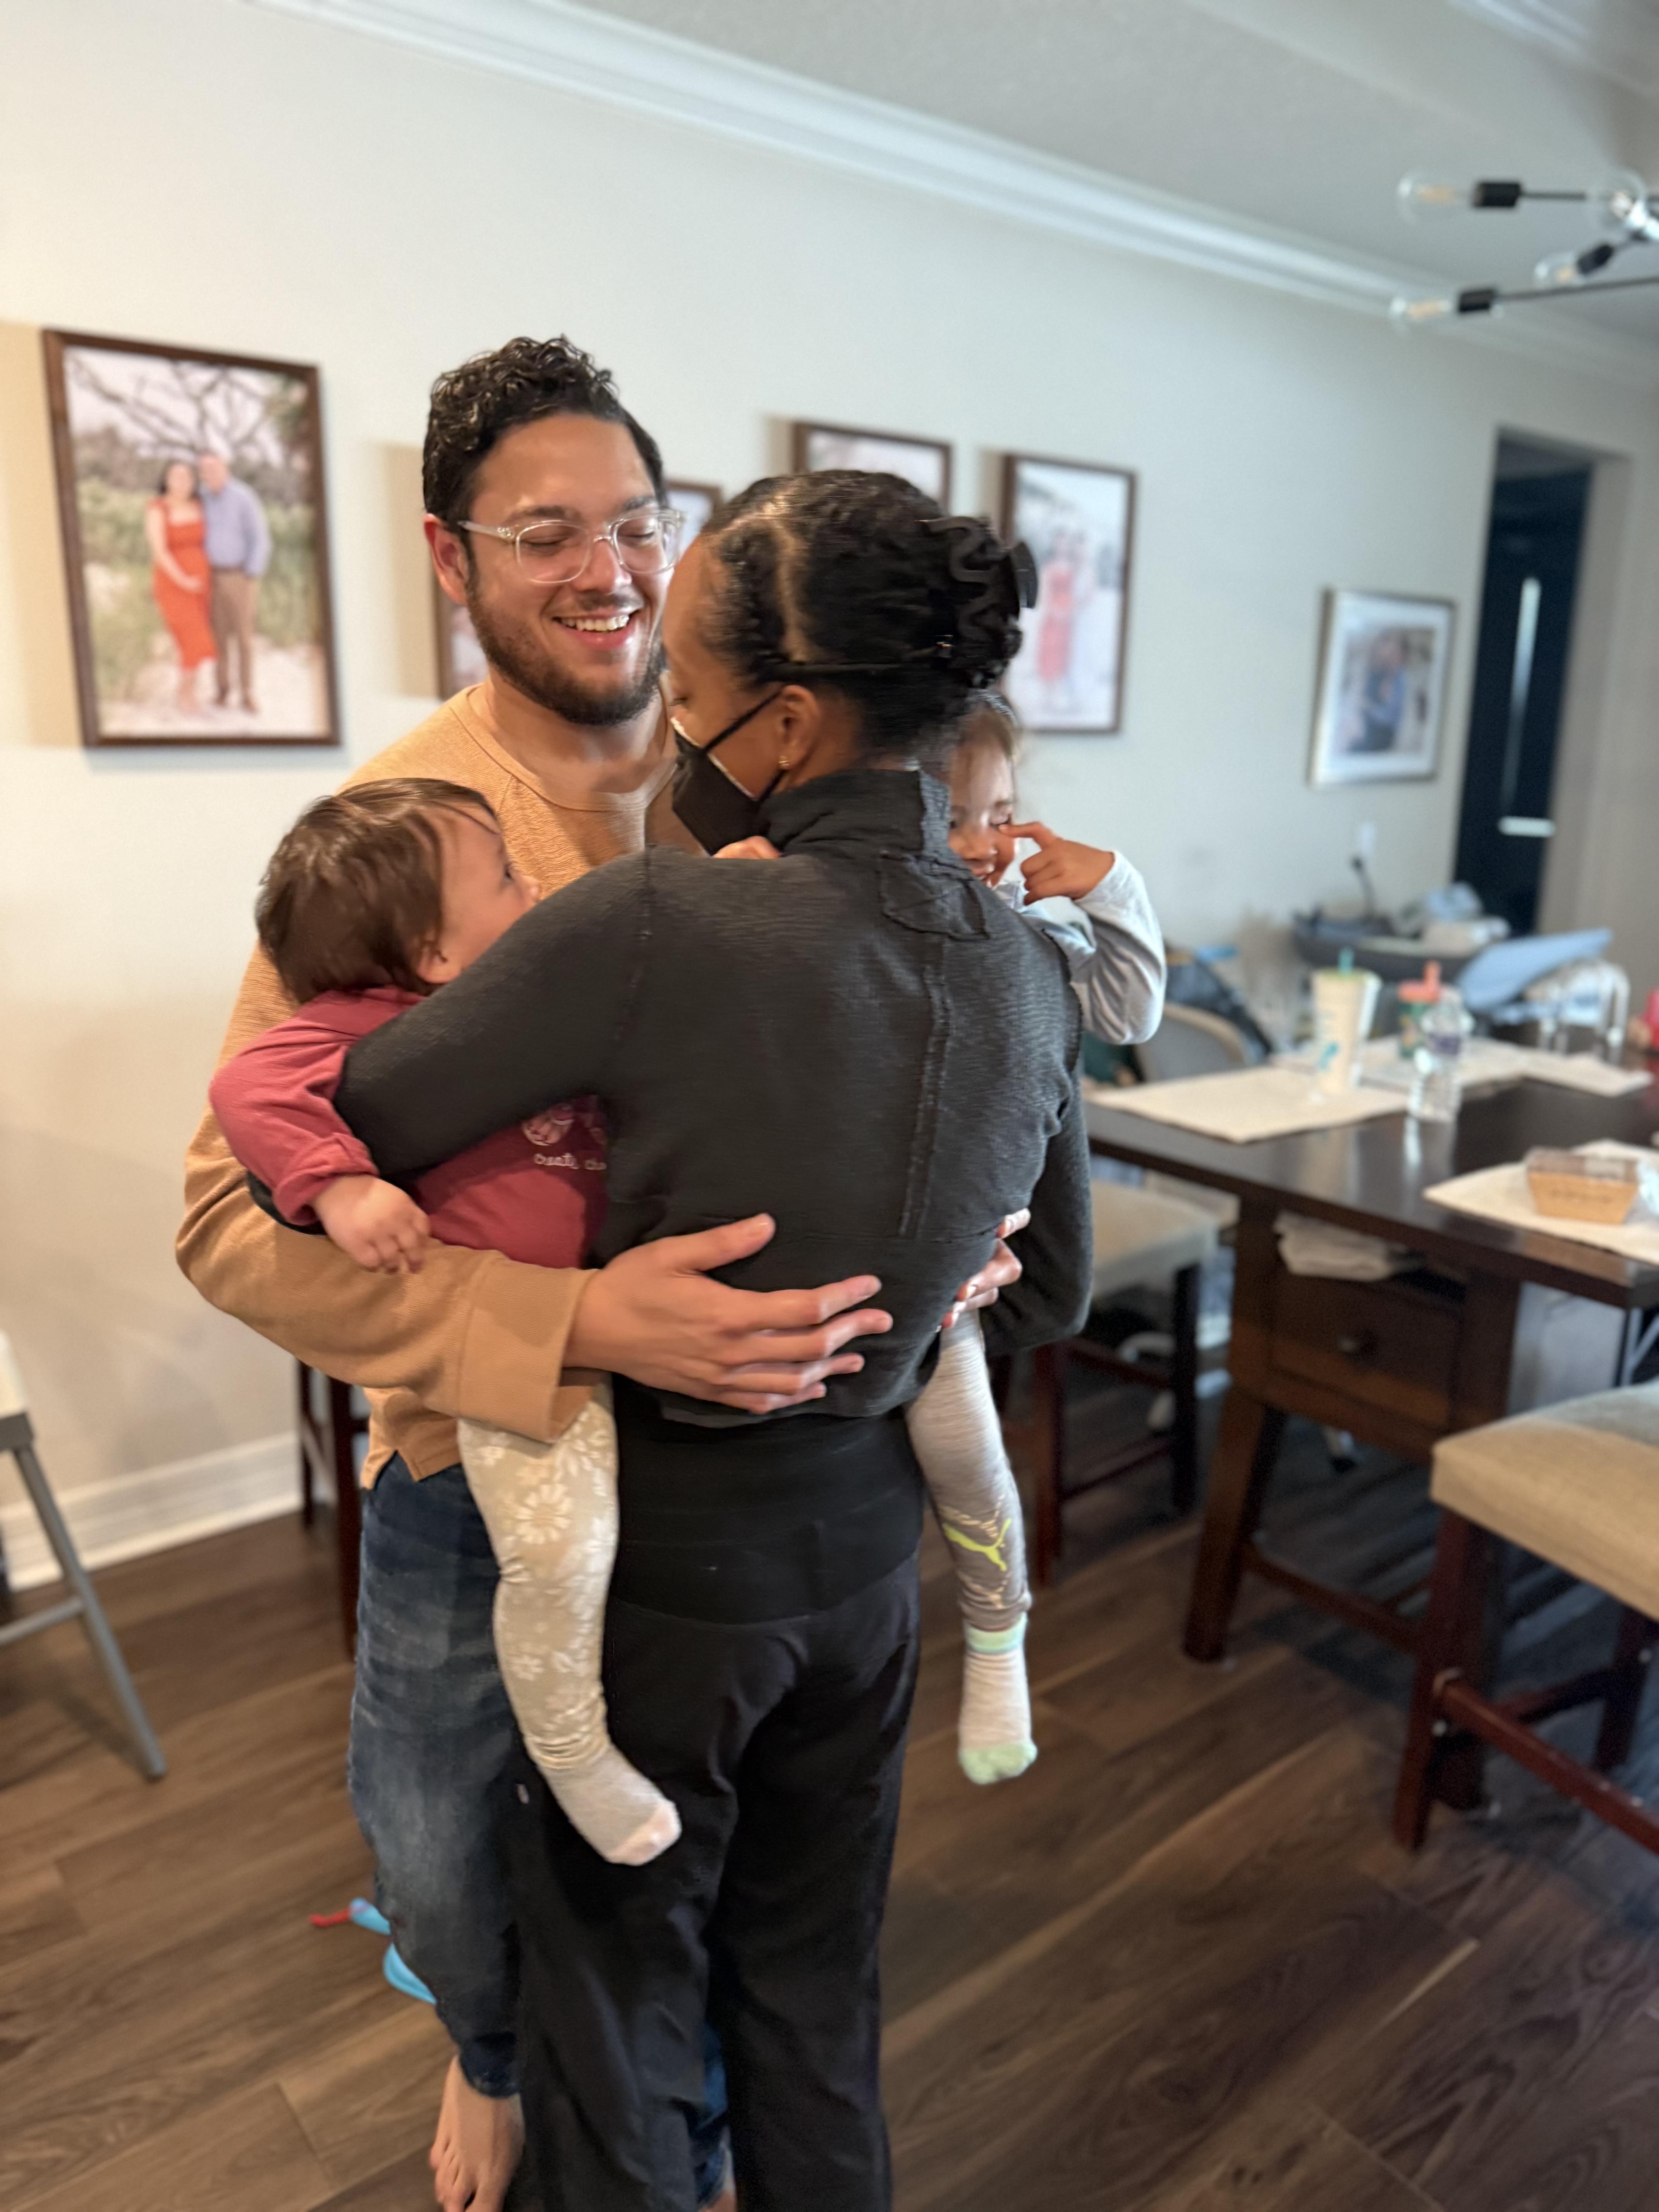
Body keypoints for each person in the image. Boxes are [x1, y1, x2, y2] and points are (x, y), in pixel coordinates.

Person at [176, 337, 1010, 2212]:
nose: (607, 567)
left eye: (639, 520)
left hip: (770, 1478)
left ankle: (664, 2124)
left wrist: (958, 1221)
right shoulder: (398, 823)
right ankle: (492, 2043)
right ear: (449, 556)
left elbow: (953, 1044)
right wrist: (571, 1318)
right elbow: (228, 1212)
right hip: (483, 1444)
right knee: (441, 1857)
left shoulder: (809, 772)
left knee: (711, 1888)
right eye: (543, 531)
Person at [325, 469, 1094, 2211]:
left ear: (789, 723)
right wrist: (927, 1263)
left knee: (620, 1996)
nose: (666, 718)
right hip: (867, 1580)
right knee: (816, 1993)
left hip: (660, 1585)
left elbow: (363, 1115)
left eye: (686, 684)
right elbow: (1046, 1291)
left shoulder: (651, 924)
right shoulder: (1026, 965)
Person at [945, 690, 1166, 1045]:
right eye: (950, 823)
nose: (984, 848)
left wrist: (1115, 889)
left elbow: (1125, 1018)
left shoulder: (1021, 929)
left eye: (1001, 819)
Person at [197, 448, 271, 713]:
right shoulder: (202, 498)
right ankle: (222, 691)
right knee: (218, 638)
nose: (210, 473)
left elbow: (260, 537)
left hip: (240, 576)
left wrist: (252, 573)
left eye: (214, 467)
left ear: (225, 467)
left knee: (244, 639)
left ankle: (247, 693)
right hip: (212, 577)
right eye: (205, 469)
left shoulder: (243, 496)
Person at [144, 460, 216, 711]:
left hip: (202, 584)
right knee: (191, 638)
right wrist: (184, 581)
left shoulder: (199, 505)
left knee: (194, 641)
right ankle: (185, 696)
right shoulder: (157, 508)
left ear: (193, 481)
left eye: (187, 476)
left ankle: (188, 692)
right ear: (166, 480)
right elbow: (160, 551)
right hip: (173, 583)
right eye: (176, 476)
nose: (182, 481)